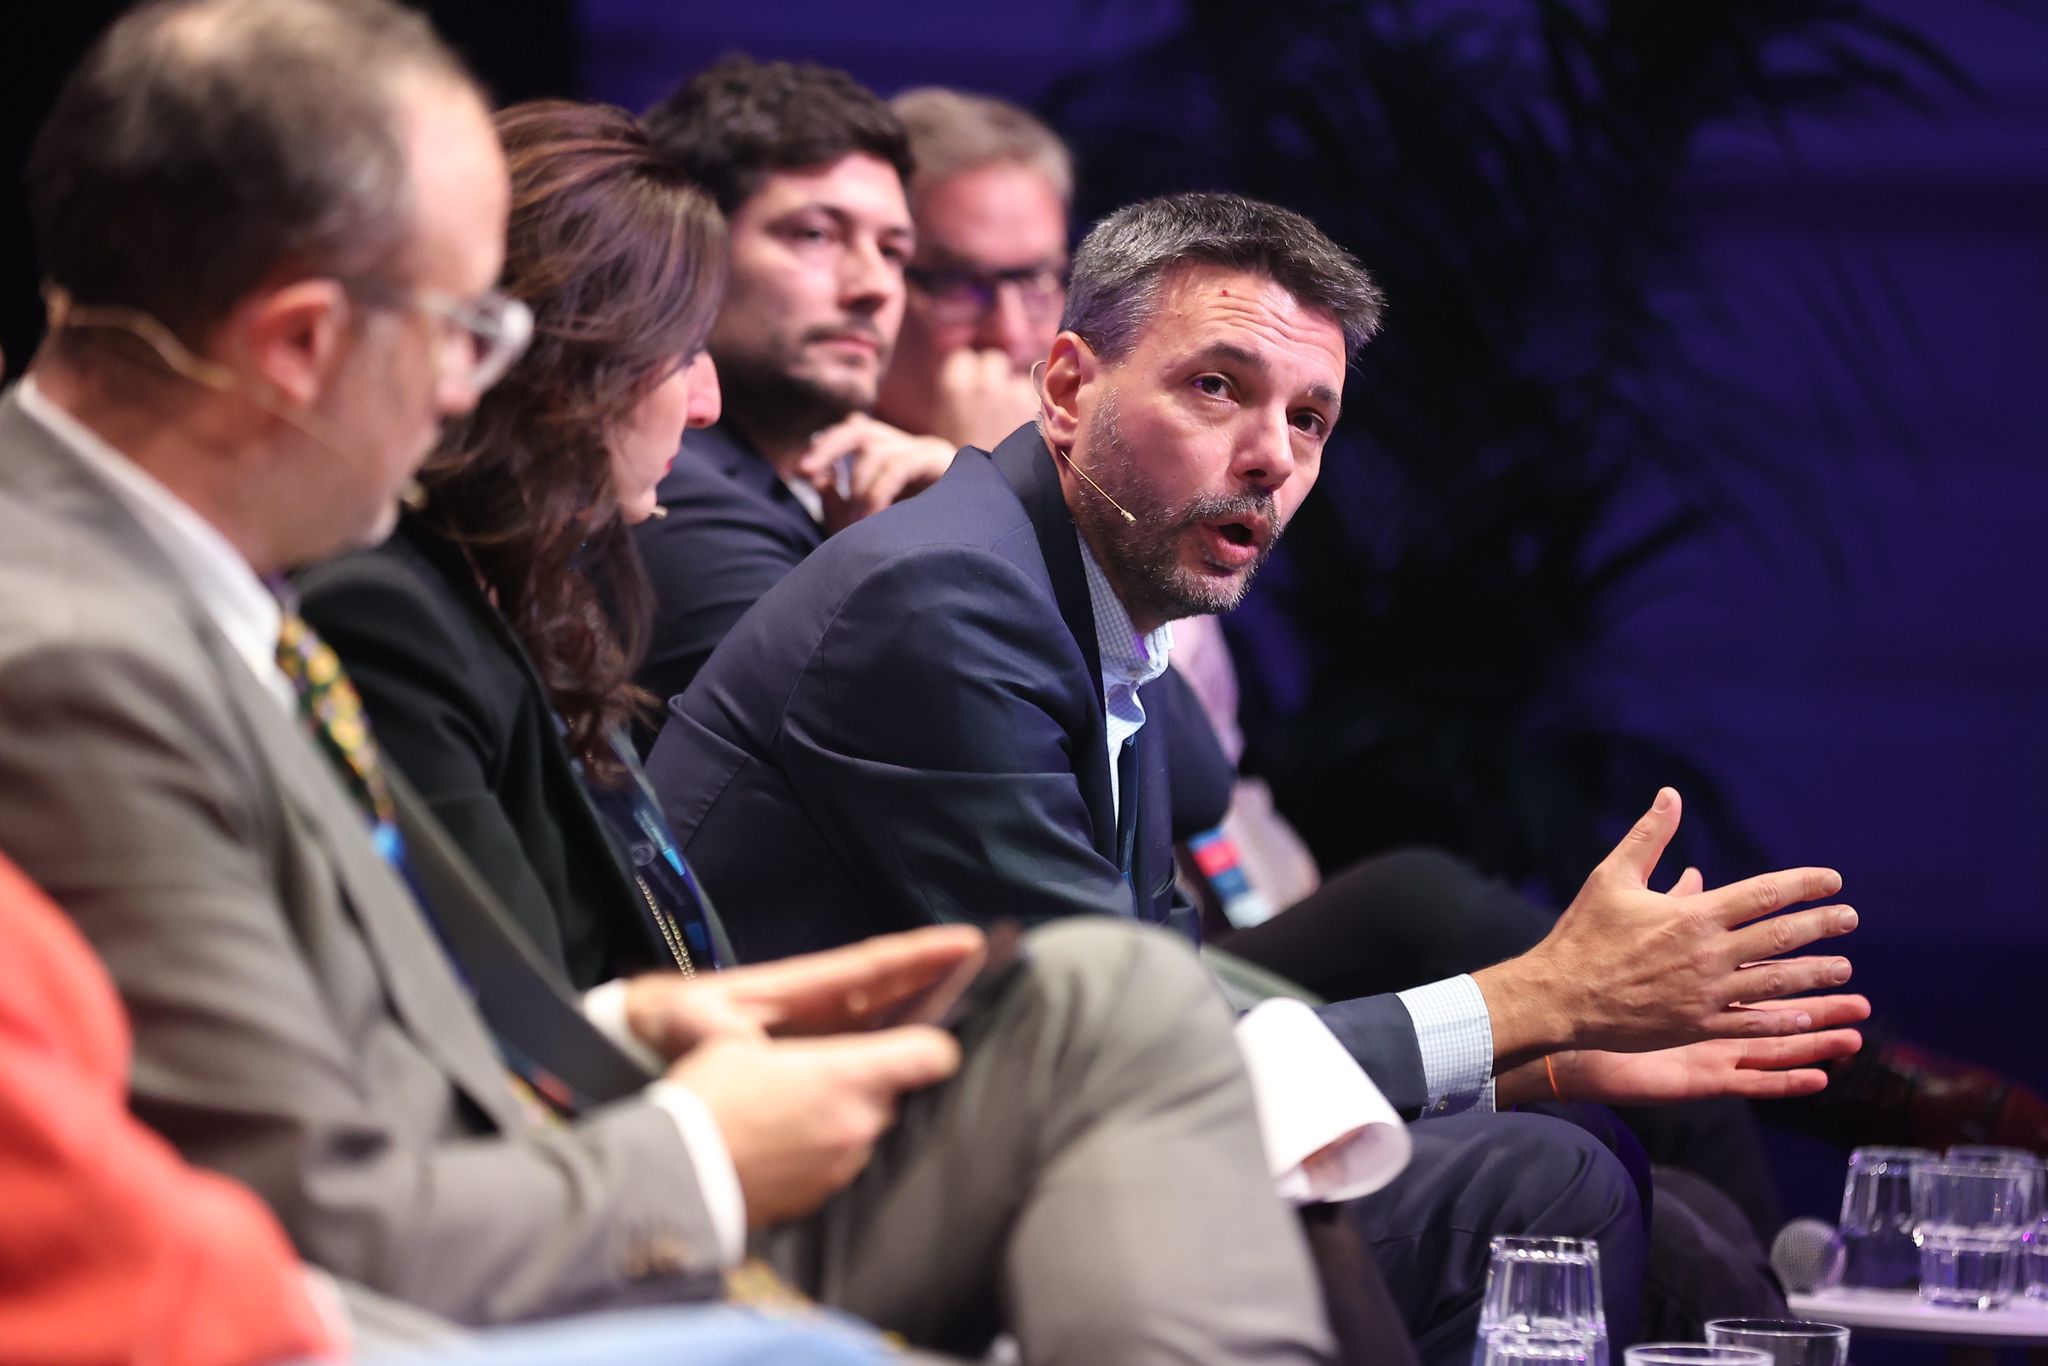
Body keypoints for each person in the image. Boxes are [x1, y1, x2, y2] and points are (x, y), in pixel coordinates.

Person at [0, 8, 1336, 1362]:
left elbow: (354, 1038)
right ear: (300, 344)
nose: (473, 389)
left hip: (538, 1158)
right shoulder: (73, 658)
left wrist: (638, 1017)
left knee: (1113, 997)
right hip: (453, 1282)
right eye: (470, 326)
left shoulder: (185, 578)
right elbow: (318, 1225)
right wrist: (704, 1145)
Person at [646, 189, 1870, 1358]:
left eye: (1309, 420)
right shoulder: (944, 601)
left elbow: (1169, 998)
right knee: (1548, 1183)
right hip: (815, 1211)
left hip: (1002, 1148)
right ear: (1065, 389)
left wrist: (1532, 1058)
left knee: (1612, 1169)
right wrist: (1536, 1000)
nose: (1270, 457)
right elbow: (1141, 1051)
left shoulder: (1081, 606)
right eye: (1217, 387)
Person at [632, 56, 963, 714]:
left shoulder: (810, 488)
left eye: (893, 251)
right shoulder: (670, 486)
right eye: (816, 235)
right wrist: (993, 515)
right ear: (687, 248)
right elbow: (931, 730)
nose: (874, 286)